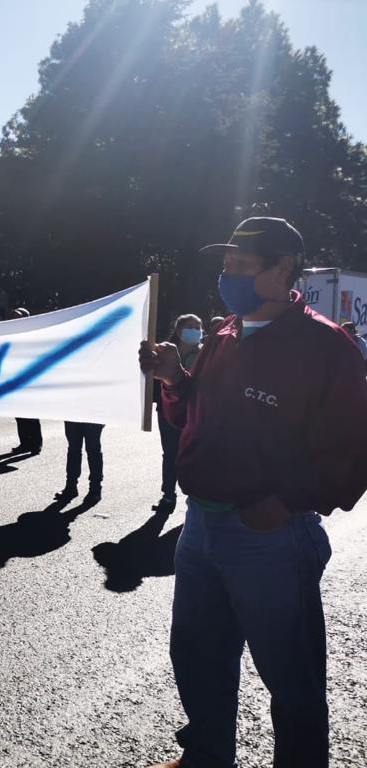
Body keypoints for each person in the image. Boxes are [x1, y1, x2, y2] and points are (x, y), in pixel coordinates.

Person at [140, 217, 367, 768]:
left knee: (292, 681)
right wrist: (173, 380)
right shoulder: (224, 334)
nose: (228, 275)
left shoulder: (324, 346)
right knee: (197, 658)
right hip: (201, 531)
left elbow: (352, 451)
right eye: (226, 265)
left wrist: (281, 505)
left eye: (241, 265)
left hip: (270, 538)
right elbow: (194, 412)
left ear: (282, 268)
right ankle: (207, 757)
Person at [153, 313, 203, 513]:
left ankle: (196, 495)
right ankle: (168, 494)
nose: (194, 331)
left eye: (197, 327)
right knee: (170, 453)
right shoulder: (164, 352)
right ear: (178, 330)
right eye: (189, 327)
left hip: (195, 413)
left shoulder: (205, 354)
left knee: (194, 453)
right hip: (167, 412)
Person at [9, 307, 43, 455]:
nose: (14, 319)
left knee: (31, 414)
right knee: (20, 415)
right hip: (15, 382)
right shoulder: (11, 336)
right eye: (13, 317)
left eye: (17, 317)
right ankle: (24, 443)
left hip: (29, 382)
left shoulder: (32, 335)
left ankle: (36, 444)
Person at [55, 421, 103, 504]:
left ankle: (95, 488)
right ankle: (71, 486)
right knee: (73, 449)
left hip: (92, 415)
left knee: (93, 450)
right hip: (73, 414)